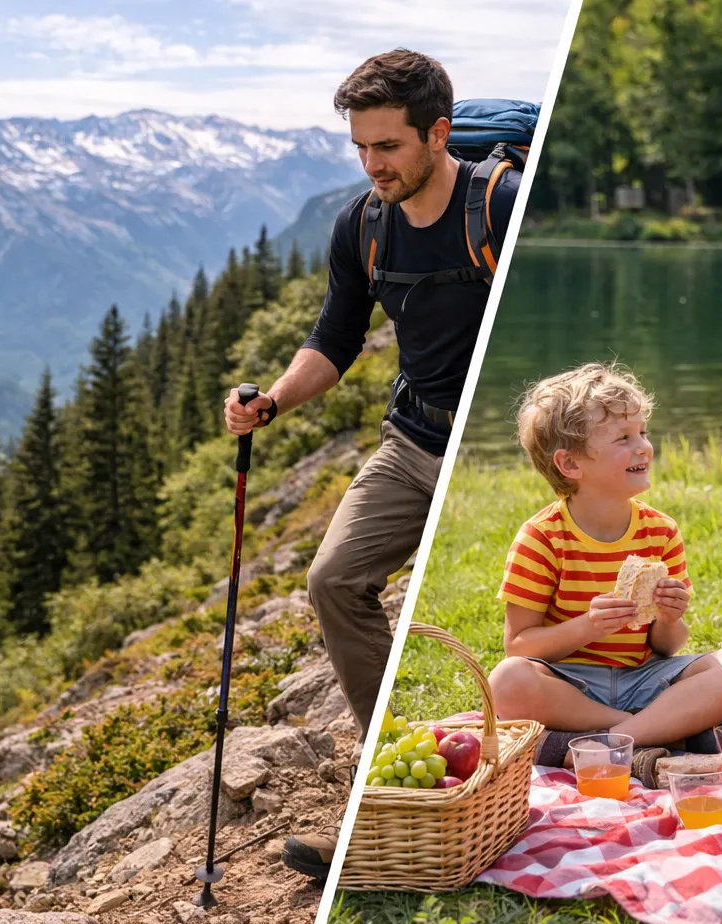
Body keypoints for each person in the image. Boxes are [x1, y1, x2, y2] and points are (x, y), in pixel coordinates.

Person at [223, 49, 520, 877]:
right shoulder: (363, 223)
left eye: (387, 146)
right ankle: (393, 776)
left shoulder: (496, 206)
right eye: (360, 146)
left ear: (438, 132)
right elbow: (334, 338)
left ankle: (459, 781)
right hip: (412, 441)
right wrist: (273, 401)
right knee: (332, 580)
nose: (373, 164)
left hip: (485, 445)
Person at [488, 364, 722, 786]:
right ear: (570, 463)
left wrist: (670, 617)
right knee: (506, 682)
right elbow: (519, 646)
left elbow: (667, 647)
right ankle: (665, 730)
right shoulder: (541, 538)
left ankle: (606, 742)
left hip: (645, 677)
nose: (644, 448)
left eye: (643, 432)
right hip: (573, 687)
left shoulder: (660, 531)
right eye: (624, 438)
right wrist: (588, 626)